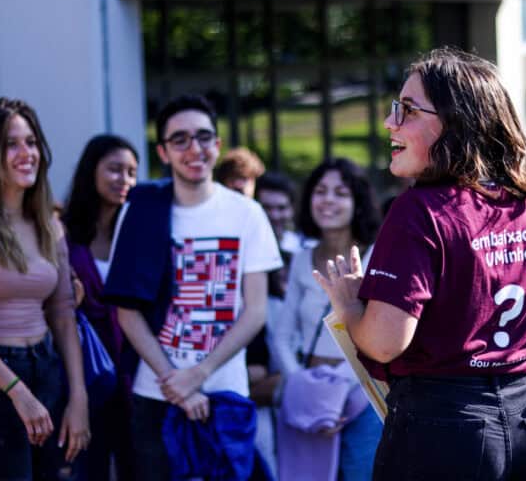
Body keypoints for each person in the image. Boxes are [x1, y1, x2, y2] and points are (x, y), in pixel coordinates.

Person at [314, 47, 526, 480]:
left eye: (407, 110)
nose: (390, 122)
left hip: (443, 430)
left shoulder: (419, 211)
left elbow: (385, 343)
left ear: (457, 121)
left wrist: (351, 307)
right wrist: (495, 354)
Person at [103, 95, 282, 480]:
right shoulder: (139, 211)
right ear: (163, 152)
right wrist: (176, 382)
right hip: (156, 393)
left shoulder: (246, 213)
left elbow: (255, 312)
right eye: (180, 139)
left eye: (203, 137)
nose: (194, 148)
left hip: (225, 390)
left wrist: (199, 374)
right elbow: (127, 311)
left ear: (217, 145)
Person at [0, 98, 89, 479]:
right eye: (11, 144)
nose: (27, 153)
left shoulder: (49, 225)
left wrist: (78, 397)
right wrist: (18, 393)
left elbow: (62, 312)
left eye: (32, 142)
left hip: (48, 371)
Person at [271, 158, 382, 481]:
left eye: (340, 193)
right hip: (309, 398)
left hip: (362, 395)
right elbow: (282, 335)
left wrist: (338, 389)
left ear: (357, 202)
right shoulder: (302, 258)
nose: (328, 200)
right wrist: (301, 384)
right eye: (320, 191)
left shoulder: (377, 256)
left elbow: (379, 335)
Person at [63, 134, 139, 481]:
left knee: (137, 466)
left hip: (136, 372)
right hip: (85, 372)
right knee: (88, 469)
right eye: (114, 169)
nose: (123, 180)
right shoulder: (63, 233)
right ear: (91, 171)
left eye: (131, 172)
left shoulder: (139, 233)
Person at [255, 171, 315, 255]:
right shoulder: (243, 248)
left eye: (281, 208)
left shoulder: (306, 250)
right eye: (266, 207)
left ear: (292, 209)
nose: (275, 216)